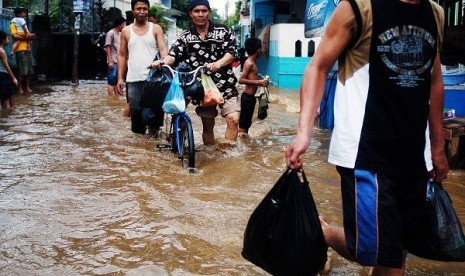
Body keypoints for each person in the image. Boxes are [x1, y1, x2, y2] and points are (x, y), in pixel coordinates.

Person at [284, 0, 449, 275]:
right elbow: (318, 67)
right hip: (365, 152)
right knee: (371, 251)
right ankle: (324, 234)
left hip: (414, 156)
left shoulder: (435, 13)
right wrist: (304, 132)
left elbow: (434, 80)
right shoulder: (359, 8)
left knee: (397, 250)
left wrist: (437, 147)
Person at [151, 0, 241, 145]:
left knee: (233, 119)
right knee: (208, 125)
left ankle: (227, 156)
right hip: (201, 87)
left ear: (209, 12)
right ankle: (211, 156)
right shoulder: (186, 36)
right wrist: (162, 62)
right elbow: (173, 55)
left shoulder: (222, 31)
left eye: (204, 11)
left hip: (225, 84)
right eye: (197, 11)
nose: (201, 14)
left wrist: (218, 63)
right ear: (191, 14)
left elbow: (231, 53)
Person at [117, 0, 168, 134]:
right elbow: (122, 55)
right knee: (137, 117)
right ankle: (140, 148)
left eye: (144, 9)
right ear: (133, 11)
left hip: (154, 79)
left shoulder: (155, 28)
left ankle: (153, 143)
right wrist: (120, 79)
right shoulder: (126, 31)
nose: (142, 11)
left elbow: (163, 50)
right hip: (133, 80)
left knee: (152, 116)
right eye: (138, 8)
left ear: (148, 10)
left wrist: (166, 66)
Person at [238, 37, 269, 135]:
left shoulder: (252, 63)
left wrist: (262, 80)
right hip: (247, 97)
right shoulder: (249, 63)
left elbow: (252, 77)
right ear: (258, 50)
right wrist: (258, 82)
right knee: (243, 126)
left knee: (246, 124)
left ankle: (244, 145)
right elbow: (241, 80)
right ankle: (241, 146)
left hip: (250, 98)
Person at [10, 7, 35, 95]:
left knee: (29, 70)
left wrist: (28, 41)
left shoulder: (22, 22)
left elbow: (27, 34)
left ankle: (27, 87)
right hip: (20, 49)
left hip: (27, 49)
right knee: (21, 70)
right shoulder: (13, 23)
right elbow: (15, 36)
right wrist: (26, 38)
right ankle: (20, 88)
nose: (24, 14)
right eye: (23, 12)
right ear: (19, 14)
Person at [105, 16, 126, 96]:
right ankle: (111, 98)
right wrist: (110, 61)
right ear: (119, 25)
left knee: (118, 80)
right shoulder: (111, 33)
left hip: (119, 61)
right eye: (123, 24)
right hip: (113, 60)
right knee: (111, 81)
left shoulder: (120, 34)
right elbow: (108, 47)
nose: (124, 26)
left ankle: (116, 98)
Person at [0, 30, 18, 109]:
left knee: (3, 98)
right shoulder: (2, 51)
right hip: (3, 75)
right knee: (11, 95)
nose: (8, 40)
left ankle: (4, 116)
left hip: (2, 75)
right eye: (7, 38)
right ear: (3, 40)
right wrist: (13, 78)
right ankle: (12, 116)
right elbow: (6, 66)